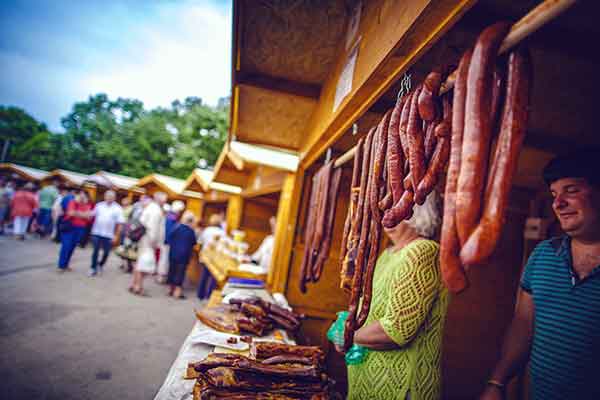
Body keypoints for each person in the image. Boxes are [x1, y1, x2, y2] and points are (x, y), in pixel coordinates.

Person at [480, 150, 600, 400]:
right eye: (555, 194)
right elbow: (524, 325)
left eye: (571, 190)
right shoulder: (543, 255)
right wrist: (497, 382)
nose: (558, 203)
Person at [335, 191, 448, 400]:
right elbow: (372, 312)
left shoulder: (422, 251)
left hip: (402, 388)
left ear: (418, 211)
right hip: (369, 383)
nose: (386, 214)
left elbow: (396, 331)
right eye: (384, 207)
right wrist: (346, 326)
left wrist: (348, 336)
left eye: (395, 207)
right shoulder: (388, 254)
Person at [129, 192, 166, 296]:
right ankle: (138, 287)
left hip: (143, 239)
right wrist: (154, 242)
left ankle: (134, 284)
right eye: (164, 200)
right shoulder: (156, 210)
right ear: (160, 200)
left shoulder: (150, 207)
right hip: (148, 241)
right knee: (145, 265)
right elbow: (152, 228)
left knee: (139, 263)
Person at [88, 190, 124, 277]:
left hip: (109, 235)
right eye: (108, 196)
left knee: (106, 253)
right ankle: (93, 268)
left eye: (111, 197)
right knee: (95, 251)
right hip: (96, 232)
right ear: (105, 196)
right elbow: (92, 215)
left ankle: (100, 265)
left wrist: (116, 236)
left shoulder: (118, 208)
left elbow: (120, 224)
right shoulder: (99, 205)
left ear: (114, 198)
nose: (109, 198)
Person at [57, 189, 93, 271]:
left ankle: (66, 264)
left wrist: (78, 213)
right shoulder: (73, 202)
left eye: (84, 195)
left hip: (80, 228)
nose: (82, 196)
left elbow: (89, 217)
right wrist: (83, 214)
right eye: (80, 194)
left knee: (72, 247)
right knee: (66, 246)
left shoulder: (88, 205)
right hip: (69, 227)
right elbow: (70, 213)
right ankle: (61, 265)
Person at [166, 210, 197, 299]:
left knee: (172, 270)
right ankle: (177, 292)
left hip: (173, 253)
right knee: (180, 273)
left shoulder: (176, 227)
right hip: (184, 255)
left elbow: (169, 238)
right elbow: (194, 242)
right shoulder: (190, 231)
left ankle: (170, 290)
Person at [196, 213, 225, 299]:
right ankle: (209, 296)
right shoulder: (222, 232)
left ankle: (200, 294)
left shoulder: (207, 230)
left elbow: (200, 242)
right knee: (213, 278)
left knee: (204, 275)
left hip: (205, 256)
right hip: (215, 258)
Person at [157, 200, 185, 284]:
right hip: (167, 242)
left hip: (165, 241)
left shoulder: (169, 216)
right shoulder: (172, 218)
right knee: (164, 260)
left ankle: (162, 276)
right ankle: (161, 277)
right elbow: (169, 231)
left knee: (163, 259)